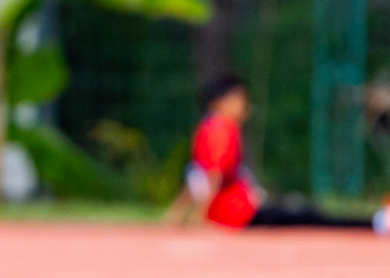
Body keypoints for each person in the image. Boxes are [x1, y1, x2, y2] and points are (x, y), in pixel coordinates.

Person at [166, 72, 389, 234]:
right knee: (309, 217)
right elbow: (211, 176)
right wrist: (197, 220)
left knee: (304, 213)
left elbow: (197, 178)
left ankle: (376, 220)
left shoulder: (206, 128)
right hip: (240, 215)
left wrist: (178, 215)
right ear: (221, 101)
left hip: (238, 212)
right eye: (240, 98)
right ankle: (377, 222)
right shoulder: (222, 128)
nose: (244, 105)